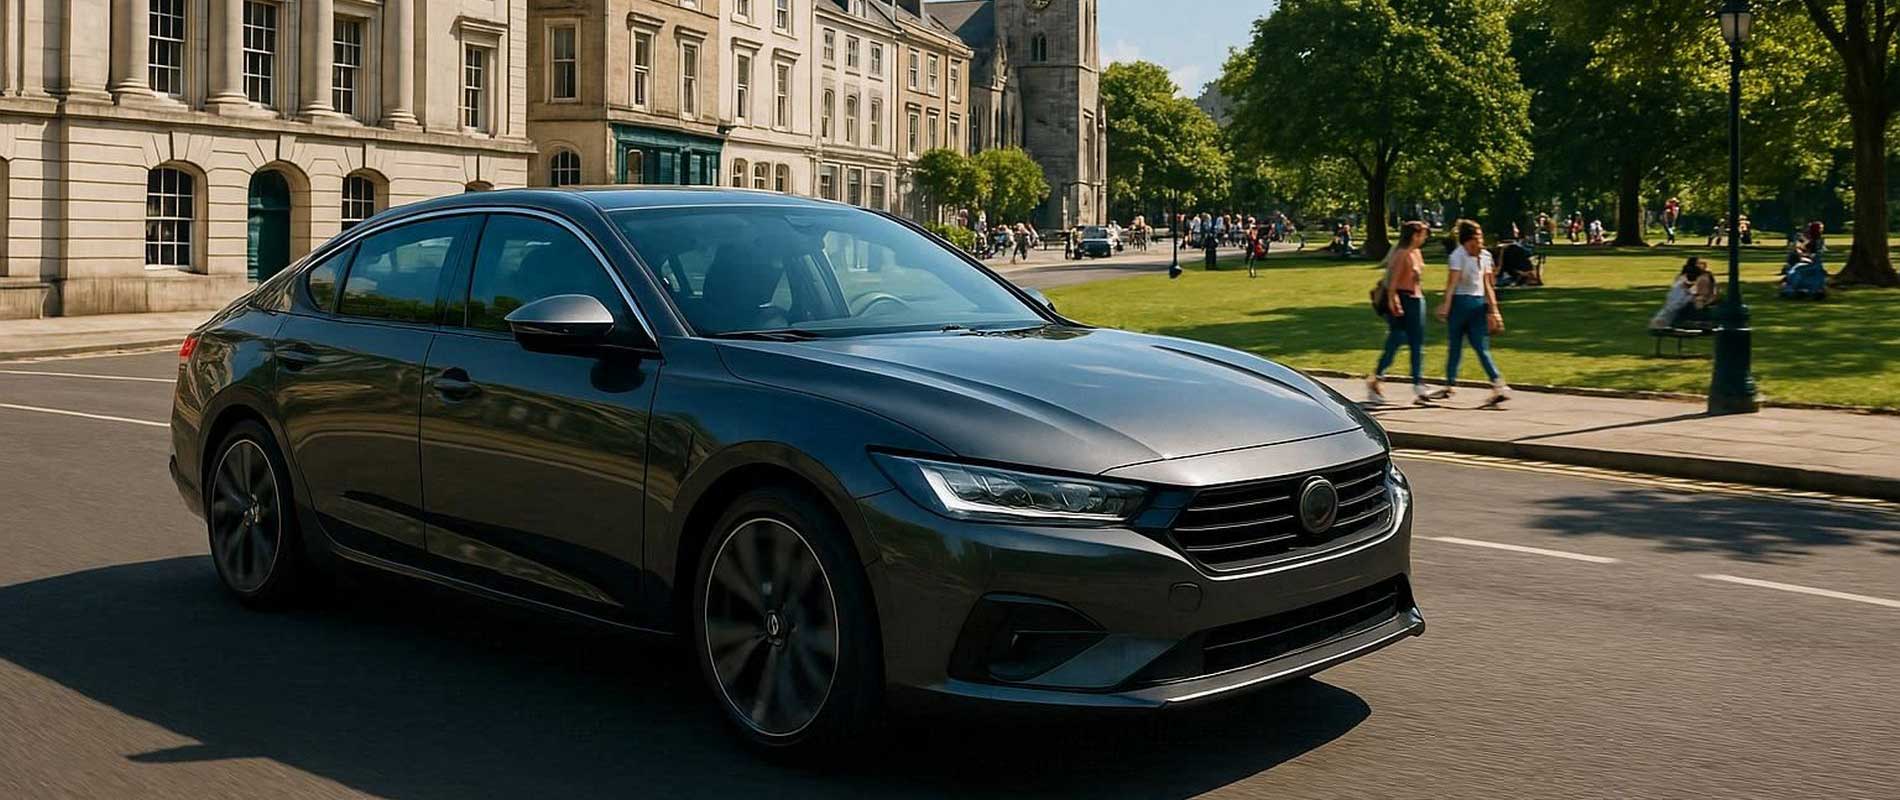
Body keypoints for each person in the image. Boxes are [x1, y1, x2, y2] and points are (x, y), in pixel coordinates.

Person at [1433, 219, 1510, 406]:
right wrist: (1446, 305)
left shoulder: (1485, 256)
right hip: (1460, 303)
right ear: (1465, 241)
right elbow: (1452, 283)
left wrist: (1494, 310)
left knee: (1481, 347)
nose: (1478, 243)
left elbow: (1488, 286)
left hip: (1476, 304)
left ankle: (1498, 384)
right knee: (1455, 347)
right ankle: (1450, 384)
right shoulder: (1457, 256)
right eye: (1474, 240)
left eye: (1480, 238)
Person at [1368, 221, 1433, 405]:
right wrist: (1393, 300)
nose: (1425, 237)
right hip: (1403, 299)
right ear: (1414, 235)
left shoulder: (1416, 253)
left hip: (1417, 300)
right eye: (1422, 234)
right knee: (1397, 338)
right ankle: (1378, 378)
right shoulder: (1401, 254)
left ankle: (1418, 384)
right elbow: (1393, 281)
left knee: (1416, 343)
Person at [1650, 257, 1719, 330]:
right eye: (1700, 263)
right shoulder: (1685, 279)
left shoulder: (1706, 277)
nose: (1704, 264)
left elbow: (1713, 294)